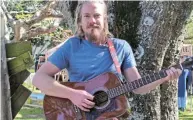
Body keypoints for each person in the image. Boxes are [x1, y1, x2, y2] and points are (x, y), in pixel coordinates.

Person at [32, 1, 182, 119]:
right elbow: (38, 79)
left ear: (104, 19)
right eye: (87, 16)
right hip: (76, 115)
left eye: (97, 15)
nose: (92, 21)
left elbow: (138, 86)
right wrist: (73, 95)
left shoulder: (121, 47)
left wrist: (164, 76)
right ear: (80, 21)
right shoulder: (71, 46)